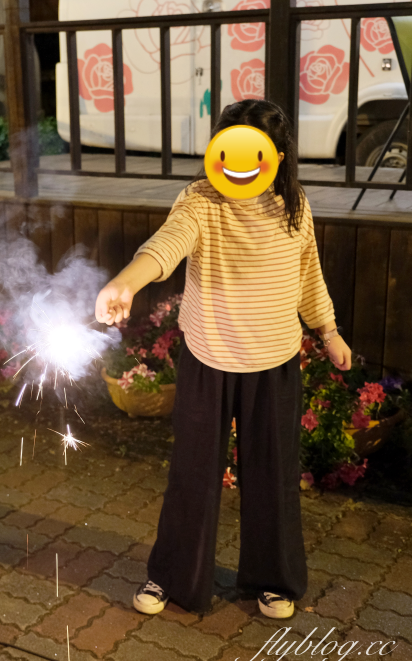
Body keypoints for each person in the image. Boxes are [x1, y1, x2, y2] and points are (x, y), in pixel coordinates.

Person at [94, 100, 350, 621]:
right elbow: (166, 245)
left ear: (276, 155)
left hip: (274, 360)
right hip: (208, 357)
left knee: (273, 476)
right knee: (192, 475)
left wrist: (328, 330)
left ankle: (273, 580)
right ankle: (172, 577)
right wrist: (126, 280)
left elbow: (308, 276)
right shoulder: (200, 199)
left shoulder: (293, 204)